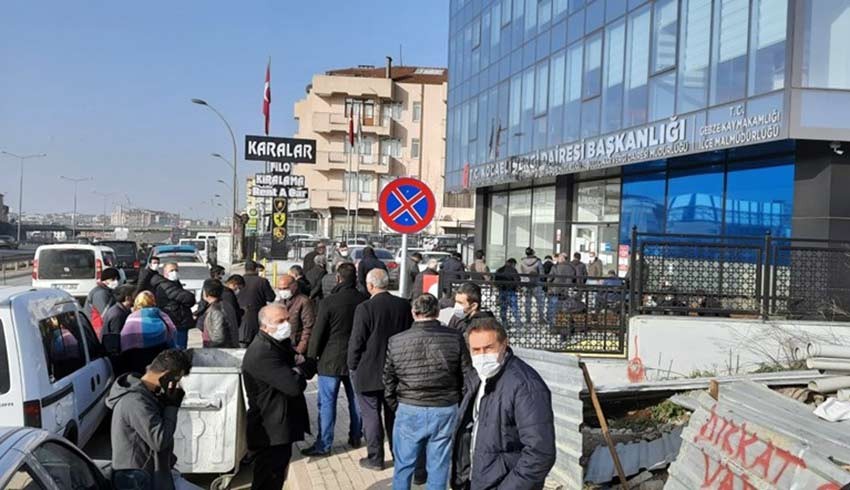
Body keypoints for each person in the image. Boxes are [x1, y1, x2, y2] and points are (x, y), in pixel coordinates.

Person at [450, 318, 556, 489]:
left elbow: (540, 453)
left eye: (489, 348)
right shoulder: (478, 377)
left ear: (504, 344)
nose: (482, 355)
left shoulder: (525, 385)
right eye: (476, 350)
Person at [384, 294, 469, 489]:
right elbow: (466, 375)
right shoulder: (454, 337)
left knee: (403, 465)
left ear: (414, 313)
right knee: (439, 466)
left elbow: (388, 379)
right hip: (445, 407)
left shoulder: (397, 340)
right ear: (438, 312)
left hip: (409, 406)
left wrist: (396, 406)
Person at [348, 269, 413, 470]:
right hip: (396, 371)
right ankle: (398, 455)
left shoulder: (365, 308)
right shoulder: (403, 305)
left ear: (370, 286)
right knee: (393, 416)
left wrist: (352, 364)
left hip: (368, 370)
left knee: (370, 416)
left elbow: (357, 340)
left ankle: (375, 458)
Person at [301, 263, 369, 457]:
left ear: (338, 278)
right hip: (357, 360)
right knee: (356, 401)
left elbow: (318, 333)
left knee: (327, 402)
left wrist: (311, 358)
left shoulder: (329, 302)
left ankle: (324, 444)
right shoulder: (364, 300)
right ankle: (356, 436)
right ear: (356, 278)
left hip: (330, 361)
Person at [242, 304, 312, 490]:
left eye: (288, 319)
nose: (287, 324)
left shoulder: (278, 343)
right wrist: (298, 369)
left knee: (277, 476)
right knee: (268, 480)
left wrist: (298, 368)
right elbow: (294, 385)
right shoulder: (262, 352)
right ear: (264, 327)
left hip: (279, 425)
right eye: (280, 321)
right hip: (269, 429)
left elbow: (306, 364)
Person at [106, 349, 195, 490]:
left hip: (154, 473)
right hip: (137, 480)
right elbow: (159, 441)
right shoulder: (136, 401)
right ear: (166, 376)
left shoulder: (148, 394)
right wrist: (171, 407)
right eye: (177, 379)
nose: (177, 385)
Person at [120, 291, 177, 375]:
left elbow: (125, 336)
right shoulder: (160, 314)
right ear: (153, 301)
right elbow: (172, 330)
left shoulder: (131, 317)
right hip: (157, 351)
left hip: (133, 354)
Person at [154, 263, 196, 350]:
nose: (175, 272)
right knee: (178, 351)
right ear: (165, 273)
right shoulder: (165, 285)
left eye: (176, 270)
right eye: (171, 270)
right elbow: (188, 298)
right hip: (175, 323)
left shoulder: (175, 284)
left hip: (179, 322)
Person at [239, 260, 276, 347]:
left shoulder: (238, 280)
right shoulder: (262, 281)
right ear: (256, 269)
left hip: (240, 319)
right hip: (257, 318)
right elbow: (271, 298)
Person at [276, 275, 315, 356]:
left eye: (285, 288)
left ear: (294, 286)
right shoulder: (280, 302)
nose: (282, 291)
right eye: (280, 289)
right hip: (283, 344)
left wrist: (301, 348)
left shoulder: (304, 301)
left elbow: (308, 327)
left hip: (296, 345)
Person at [199, 279, 239, 348]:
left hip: (220, 352)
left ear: (206, 292)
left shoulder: (216, 310)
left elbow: (219, 338)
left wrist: (208, 347)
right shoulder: (225, 304)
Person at [84, 267, 120, 336]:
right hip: (98, 328)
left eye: (117, 279)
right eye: (113, 279)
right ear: (105, 280)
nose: (116, 281)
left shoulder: (107, 291)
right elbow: (106, 314)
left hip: (99, 328)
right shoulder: (100, 293)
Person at [517, 248, 545, 324]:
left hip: (526, 284)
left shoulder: (522, 262)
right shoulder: (538, 261)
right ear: (533, 253)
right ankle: (541, 319)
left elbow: (520, 273)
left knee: (527, 302)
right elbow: (542, 273)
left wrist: (524, 281)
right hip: (536, 284)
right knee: (540, 302)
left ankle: (528, 319)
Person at [546, 253, 576, 324]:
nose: (558, 259)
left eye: (559, 257)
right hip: (566, 291)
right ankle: (563, 323)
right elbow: (574, 279)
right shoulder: (571, 268)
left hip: (555, 290)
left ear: (562, 258)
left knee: (553, 307)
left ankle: (552, 323)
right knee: (564, 308)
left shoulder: (555, 267)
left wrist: (549, 287)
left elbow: (549, 278)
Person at [495, 259, 520, 326]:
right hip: (511, 291)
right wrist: (517, 287)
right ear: (512, 263)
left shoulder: (499, 270)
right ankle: (518, 324)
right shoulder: (513, 270)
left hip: (502, 291)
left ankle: (504, 323)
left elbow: (495, 281)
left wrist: (499, 288)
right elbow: (517, 280)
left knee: (503, 308)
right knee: (514, 308)